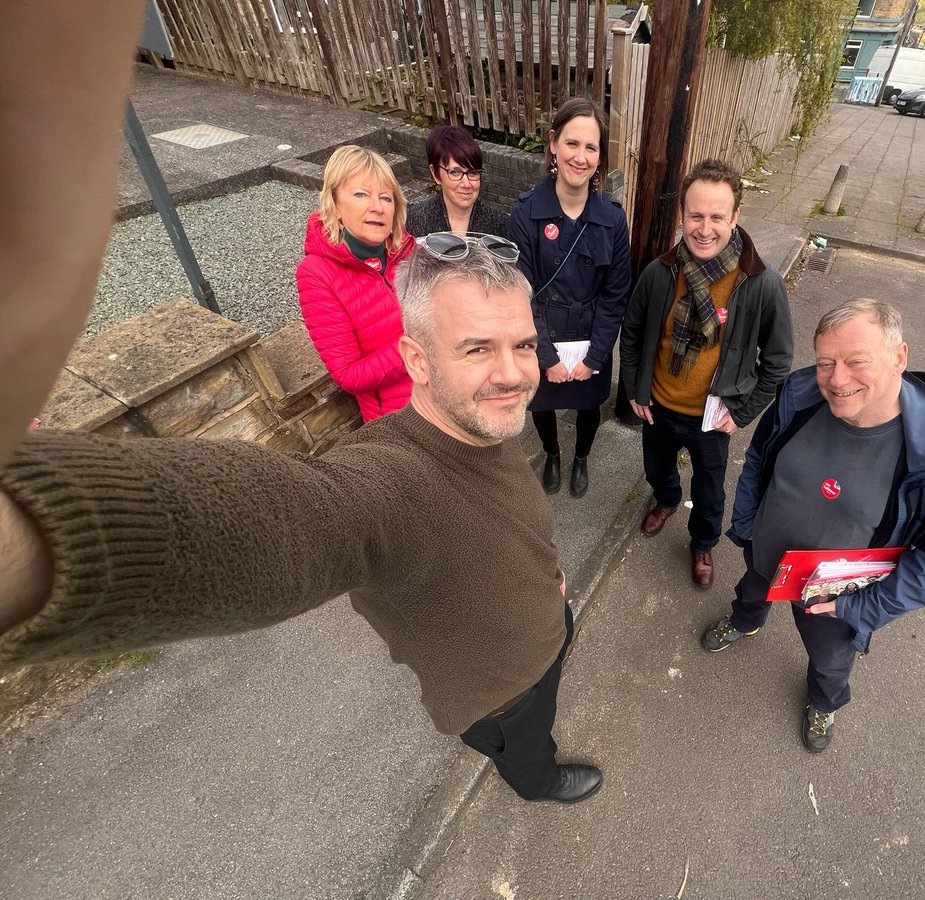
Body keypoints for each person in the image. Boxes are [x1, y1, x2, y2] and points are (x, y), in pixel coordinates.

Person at [1, 239, 603, 805]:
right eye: (477, 348)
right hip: (504, 699)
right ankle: (536, 780)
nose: (512, 374)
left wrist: (548, 590)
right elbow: (289, 519)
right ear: (416, 360)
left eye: (522, 345)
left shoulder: (479, 425)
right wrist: (32, 535)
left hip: (546, 628)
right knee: (529, 751)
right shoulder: (389, 481)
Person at [702, 298, 925, 753]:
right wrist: (746, 525)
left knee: (830, 658)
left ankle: (825, 700)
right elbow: (759, 459)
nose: (836, 380)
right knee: (751, 590)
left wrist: (863, 610)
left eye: (857, 362)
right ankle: (746, 620)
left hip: (839, 596)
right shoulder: (797, 399)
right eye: (825, 363)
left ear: (899, 357)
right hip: (766, 553)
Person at [620, 158, 793, 588]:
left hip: (713, 417)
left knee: (712, 488)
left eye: (717, 216)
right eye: (695, 215)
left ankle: (703, 542)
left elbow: (777, 362)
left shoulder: (761, 283)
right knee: (657, 467)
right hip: (658, 405)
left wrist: (743, 412)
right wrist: (636, 390)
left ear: (735, 217)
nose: (704, 227)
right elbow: (633, 334)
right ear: (681, 214)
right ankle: (666, 500)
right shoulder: (659, 272)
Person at [507, 98, 631, 499]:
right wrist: (545, 357)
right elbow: (519, 292)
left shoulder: (612, 218)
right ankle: (553, 453)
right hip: (541, 336)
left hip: (590, 336)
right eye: (572, 144)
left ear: (600, 156)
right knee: (541, 405)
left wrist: (595, 357)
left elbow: (616, 295)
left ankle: (580, 456)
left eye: (591, 147)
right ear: (553, 144)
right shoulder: (525, 213)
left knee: (588, 405)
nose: (581, 157)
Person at [296, 145, 416, 423]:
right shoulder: (317, 274)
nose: (377, 207)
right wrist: (419, 343)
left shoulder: (405, 249)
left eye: (386, 197)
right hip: (403, 420)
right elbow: (349, 375)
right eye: (361, 194)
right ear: (335, 205)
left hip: (447, 396)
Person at [405, 124, 510, 238]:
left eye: (473, 173)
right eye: (455, 172)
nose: (466, 184)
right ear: (435, 173)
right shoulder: (415, 221)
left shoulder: (499, 224)